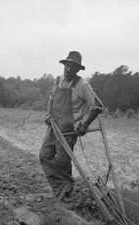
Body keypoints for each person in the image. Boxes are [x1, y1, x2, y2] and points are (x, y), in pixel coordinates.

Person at [39, 51, 103, 202]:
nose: (68, 69)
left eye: (72, 67)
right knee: (44, 155)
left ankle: (66, 192)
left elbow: (98, 106)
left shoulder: (83, 85)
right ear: (64, 65)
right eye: (67, 65)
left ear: (78, 69)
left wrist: (85, 125)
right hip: (53, 126)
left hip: (68, 131)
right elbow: (51, 99)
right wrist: (48, 114)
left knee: (62, 161)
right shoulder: (58, 80)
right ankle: (61, 187)